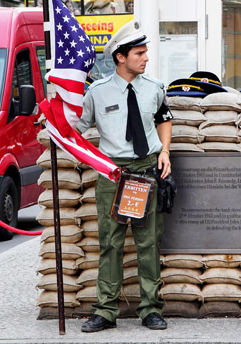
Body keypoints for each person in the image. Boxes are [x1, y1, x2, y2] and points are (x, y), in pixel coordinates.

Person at [76, 19, 173, 333]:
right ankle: (105, 311)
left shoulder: (155, 88)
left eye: (146, 53)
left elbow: (164, 119)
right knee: (111, 245)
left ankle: (151, 310)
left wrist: (165, 151)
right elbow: (76, 129)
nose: (146, 58)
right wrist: (51, 120)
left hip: (145, 171)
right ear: (120, 57)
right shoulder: (98, 93)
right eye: (139, 53)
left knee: (148, 244)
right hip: (112, 174)